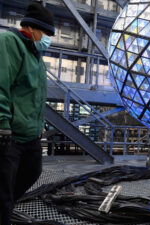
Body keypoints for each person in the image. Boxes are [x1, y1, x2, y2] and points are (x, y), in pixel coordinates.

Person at [0, 2, 55, 224]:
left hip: (30, 135)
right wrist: (2, 124)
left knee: (32, 170)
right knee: (2, 191)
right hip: (9, 134)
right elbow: (1, 84)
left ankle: (6, 205)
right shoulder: (9, 42)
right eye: (46, 33)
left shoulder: (36, 55)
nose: (48, 39)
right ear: (32, 28)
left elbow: (35, 96)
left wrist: (38, 125)